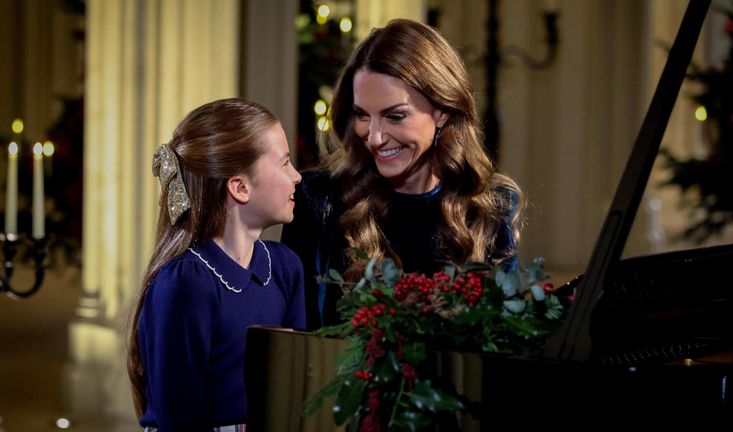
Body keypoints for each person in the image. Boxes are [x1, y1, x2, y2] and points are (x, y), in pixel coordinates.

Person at [281, 18, 524, 330]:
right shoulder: (319, 200)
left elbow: (506, 341)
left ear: (443, 111)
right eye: (362, 115)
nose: (375, 137)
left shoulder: (489, 206)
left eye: (395, 116)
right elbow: (298, 339)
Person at [127, 98, 305, 431]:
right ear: (240, 187)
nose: (297, 177)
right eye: (284, 163)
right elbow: (181, 420)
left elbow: (292, 390)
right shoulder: (187, 282)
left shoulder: (284, 266)